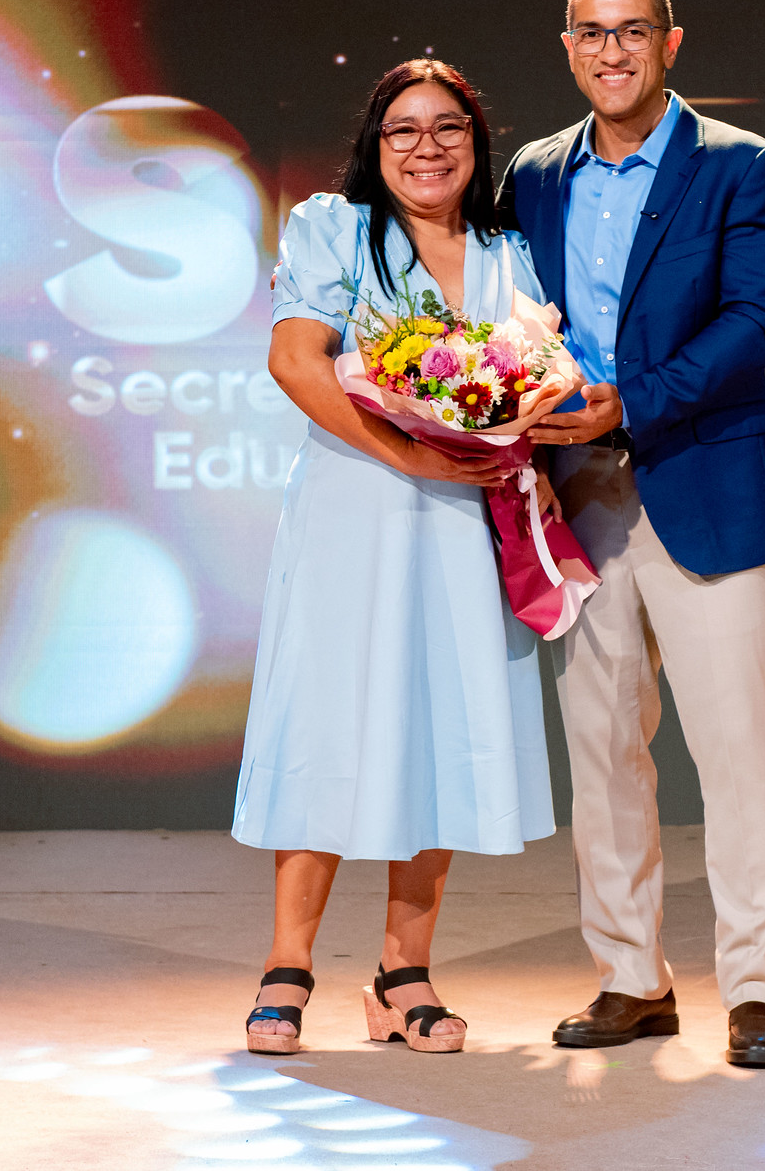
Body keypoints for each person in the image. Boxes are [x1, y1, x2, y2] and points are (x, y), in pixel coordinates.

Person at [498, 0, 765, 1069]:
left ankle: (755, 991)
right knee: (603, 749)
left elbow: (755, 323)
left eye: (632, 31)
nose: (611, 51)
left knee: (736, 752)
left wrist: (629, 401)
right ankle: (632, 976)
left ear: (670, 44)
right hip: (577, 499)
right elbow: (506, 317)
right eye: (591, 32)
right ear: (567, 48)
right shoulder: (533, 173)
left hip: (699, 482)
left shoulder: (741, 165)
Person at [232, 59, 557, 1056]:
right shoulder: (333, 227)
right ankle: (286, 963)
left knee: (439, 725)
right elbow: (295, 359)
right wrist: (409, 450)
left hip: (465, 523)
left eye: (448, 127)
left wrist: (530, 447)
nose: (427, 147)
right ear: (375, 146)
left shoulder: (508, 251)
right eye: (403, 129)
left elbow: (540, 376)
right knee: (329, 720)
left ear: (476, 141)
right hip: (353, 513)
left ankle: (402, 972)